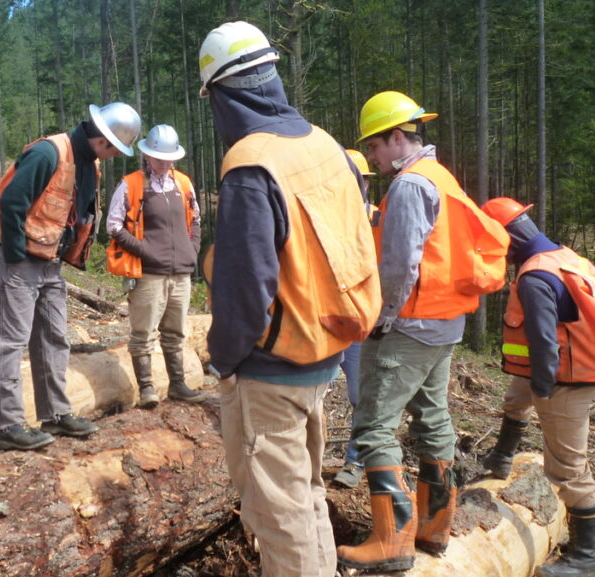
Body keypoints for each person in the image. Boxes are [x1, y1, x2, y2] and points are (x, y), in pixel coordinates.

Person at [199, 22, 381, 577]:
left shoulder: (251, 164)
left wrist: (225, 358)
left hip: (272, 369)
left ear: (225, 94)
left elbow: (244, 288)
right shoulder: (323, 143)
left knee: (279, 513)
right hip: (322, 349)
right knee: (302, 495)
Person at [337, 91, 489, 571]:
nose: (374, 157)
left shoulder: (408, 186)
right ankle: (433, 527)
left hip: (410, 324)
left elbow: (400, 266)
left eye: (375, 147)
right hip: (444, 324)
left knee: (373, 424)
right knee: (432, 418)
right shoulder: (441, 177)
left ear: (396, 137)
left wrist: (378, 320)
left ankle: (392, 540)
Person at [0, 102, 141, 451]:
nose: (116, 156)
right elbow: (12, 203)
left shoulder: (89, 164)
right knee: (11, 342)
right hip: (21, 262)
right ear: (103, 140)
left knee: (54, 339)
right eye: (116, 149)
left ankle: (55, 414)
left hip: (51, 265)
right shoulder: (47, 153)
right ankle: (8, 424)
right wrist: (13, 257)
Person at [481, 197, 595, 577]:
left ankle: (587, 554)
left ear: (506, 239)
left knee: (567, 470)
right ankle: (500, 457)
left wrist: (544, 390)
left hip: (565, 379)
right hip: (565, 370)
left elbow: (546, 342)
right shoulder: (565, 257)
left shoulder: (534, 277)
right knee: (516, 397)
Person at [105, 124, 205, 409]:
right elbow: (113, 225)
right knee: (143, 333)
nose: (165, 163)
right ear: (147, 156)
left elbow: (195, 220)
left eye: (169, 158)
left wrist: (192, 250)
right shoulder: (131, 184)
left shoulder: (183, 184)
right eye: (159, 158)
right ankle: (147, 388)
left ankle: (178, 385)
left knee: (176, 332)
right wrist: (145, 251)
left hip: (181, 274)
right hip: (148, 275)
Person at [332, 149, 375, 490]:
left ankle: (355, 461)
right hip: (327, 320)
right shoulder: (323, 220)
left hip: (362, 324)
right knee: (309, 393)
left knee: (362, 395)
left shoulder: (377, 219)